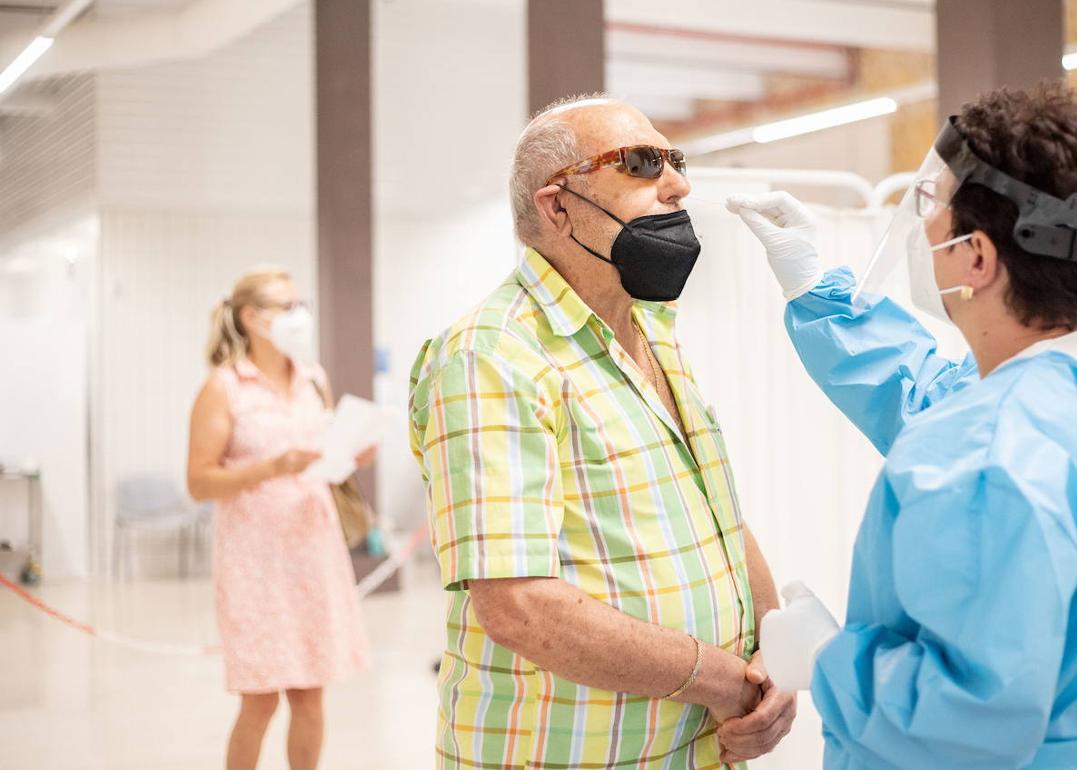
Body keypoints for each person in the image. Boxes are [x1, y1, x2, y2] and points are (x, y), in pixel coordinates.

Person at [728, 82, 1077, 769]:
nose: (924, 225)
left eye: (934, 204)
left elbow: (962, 720)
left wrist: (828, 658)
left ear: (976, 257)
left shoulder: (987, 449)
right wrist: (815, 287)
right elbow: (944, 403)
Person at [408, 96, 796, 769]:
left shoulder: (652, 332)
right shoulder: (491, 356)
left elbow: (719, 521)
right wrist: (719, 677)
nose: (678, 183)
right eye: (642, 164)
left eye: (675, 160)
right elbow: (520, 605)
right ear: (557, 207)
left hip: (693, 749)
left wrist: (770, 656)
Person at [186, 268, 373, 770]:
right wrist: (271, 468)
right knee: (260, 697)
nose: (300, 315)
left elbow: (323, 453)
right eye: (287, 306)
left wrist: (351, 453)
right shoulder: (224, 387)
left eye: (300, 304)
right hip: (254, 560)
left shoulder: (313, 377)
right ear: (251, 318)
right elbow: (199, 481)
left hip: (313, 551)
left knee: (310, 694)